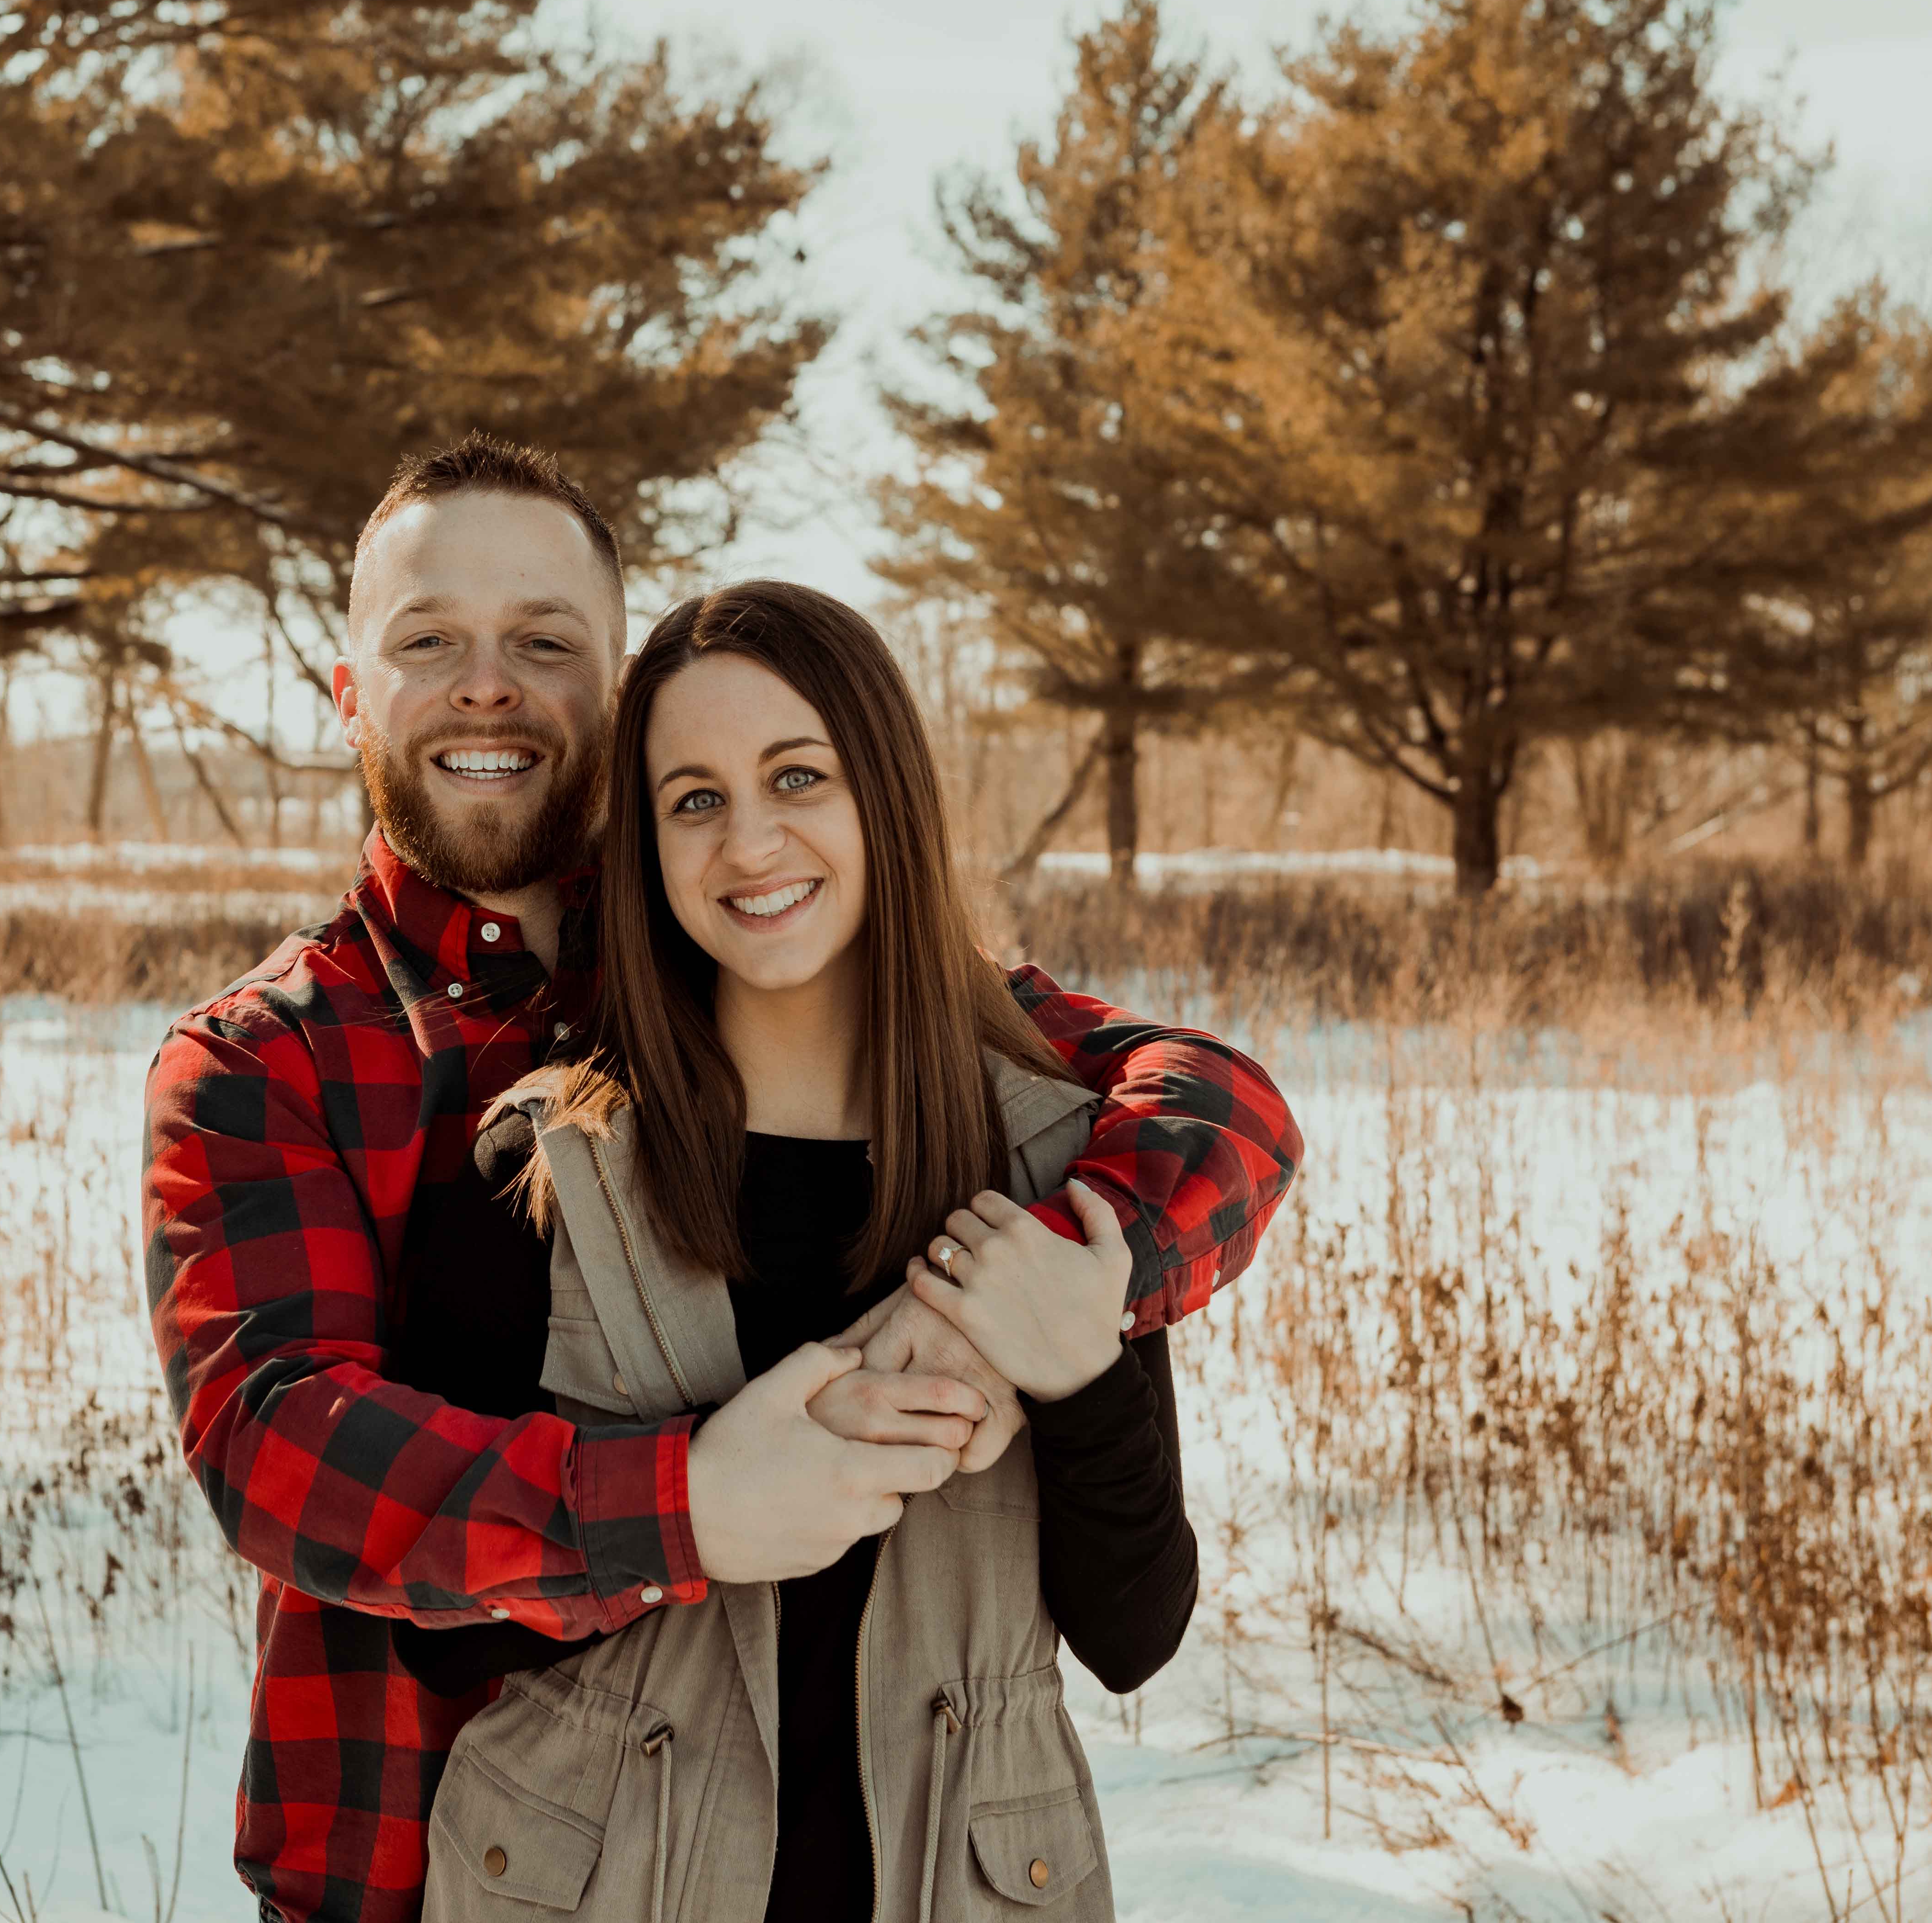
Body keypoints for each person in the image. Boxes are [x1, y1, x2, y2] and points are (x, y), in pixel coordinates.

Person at [143, 436, 1301, 1923]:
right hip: (410, 1860)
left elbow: (1211, 1099)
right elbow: (276, 1447)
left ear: (611, 693)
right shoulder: (277, 1061)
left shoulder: (778, 946)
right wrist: (683, 1501)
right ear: (347, 689)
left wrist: (1071, 1284)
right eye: (428, 640)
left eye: (543, 642)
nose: (487, 684)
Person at [401, 580, 1202, 1923]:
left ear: (882, 794)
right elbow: (432, 1626)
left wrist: (1084, 1377)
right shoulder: (540, 1168)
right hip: (590, 1883)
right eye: (695, 799)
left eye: (796, 777)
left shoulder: (1053, 1170)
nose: (750, 842)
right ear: (648, 848)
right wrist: (691, 1503)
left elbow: (1133, 1635)